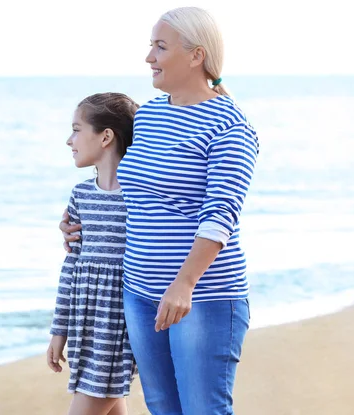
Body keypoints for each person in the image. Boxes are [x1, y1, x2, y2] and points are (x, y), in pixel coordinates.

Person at [60, 7, 260, 415]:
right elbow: (136, 193)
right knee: (162, 408)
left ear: (195, 56)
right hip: (138, 293)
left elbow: (221, 214)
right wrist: (80, 224)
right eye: (150, 45)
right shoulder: (150, 114)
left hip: (202, 297)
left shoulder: (230, 126)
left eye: (160, 46)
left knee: (204, 409)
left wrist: (184, 283)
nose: (149, 57)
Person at [47, 92, 140, 415]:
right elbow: (70, 267)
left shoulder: (140, 199)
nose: (69, 140)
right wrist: (60, 330)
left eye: (76, 129)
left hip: (118, 329)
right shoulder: (81, 195)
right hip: (86, 327)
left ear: (105, 136)